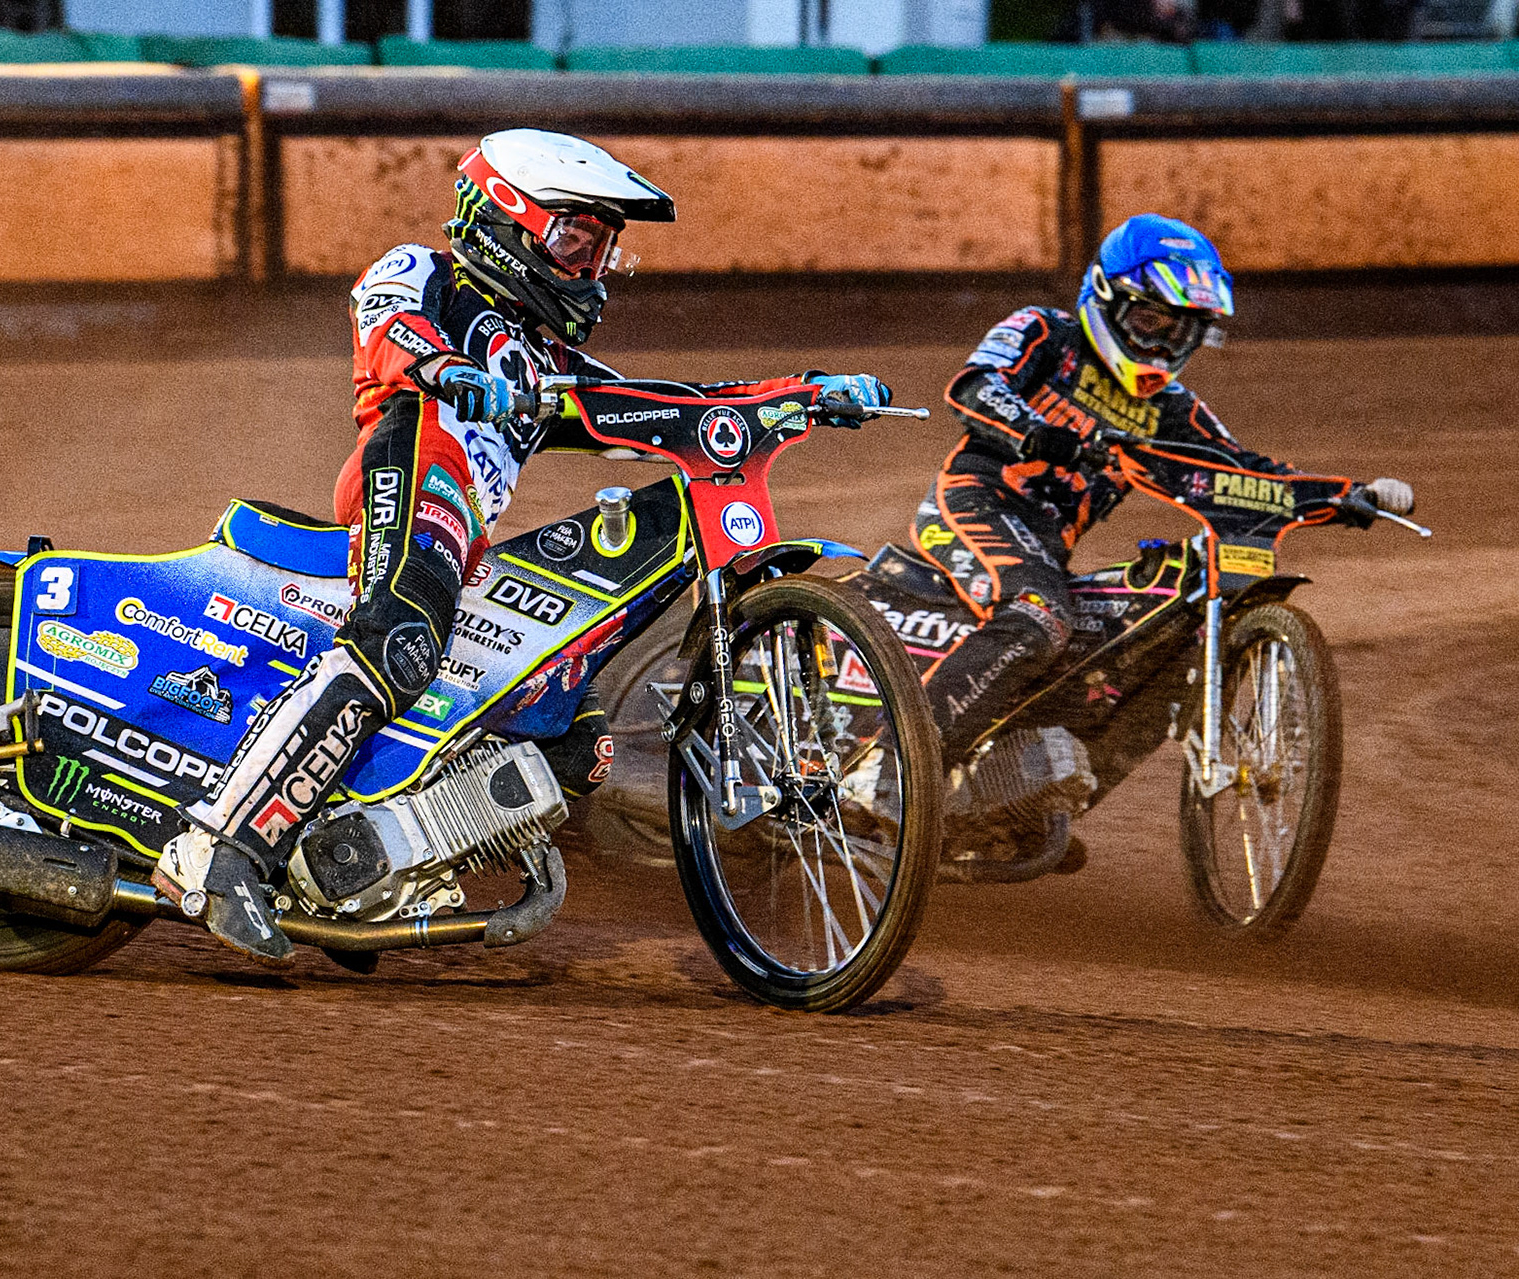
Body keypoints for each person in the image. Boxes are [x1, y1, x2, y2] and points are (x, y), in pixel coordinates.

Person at [156, 128, 892, 962]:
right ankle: (223, 851)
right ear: (507, 218)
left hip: (465, 532)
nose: (590, 266)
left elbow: (669, 407)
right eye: (574, 239)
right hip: (412, 467)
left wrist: (802, 394)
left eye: (601, 248)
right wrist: (444, 365)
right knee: (398, 639)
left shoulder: (549, 358)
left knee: (573, 735)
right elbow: (385, 320)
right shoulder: (428, 272)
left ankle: (372, 864)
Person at [915, 212, 1414, 761]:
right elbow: (974, 386)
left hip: (1048, 547)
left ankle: (1024, 806)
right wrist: (1037, 432)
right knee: (1039, 612)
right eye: (1149, 320)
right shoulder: (1044, 331)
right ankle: (902, 768)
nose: (1159, 343)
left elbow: (1245, 472)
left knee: (1127, 647)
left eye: (1179, 331)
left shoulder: (1172, 409)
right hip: (977, 502)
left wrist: (1345, 496)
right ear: (1105, 297)